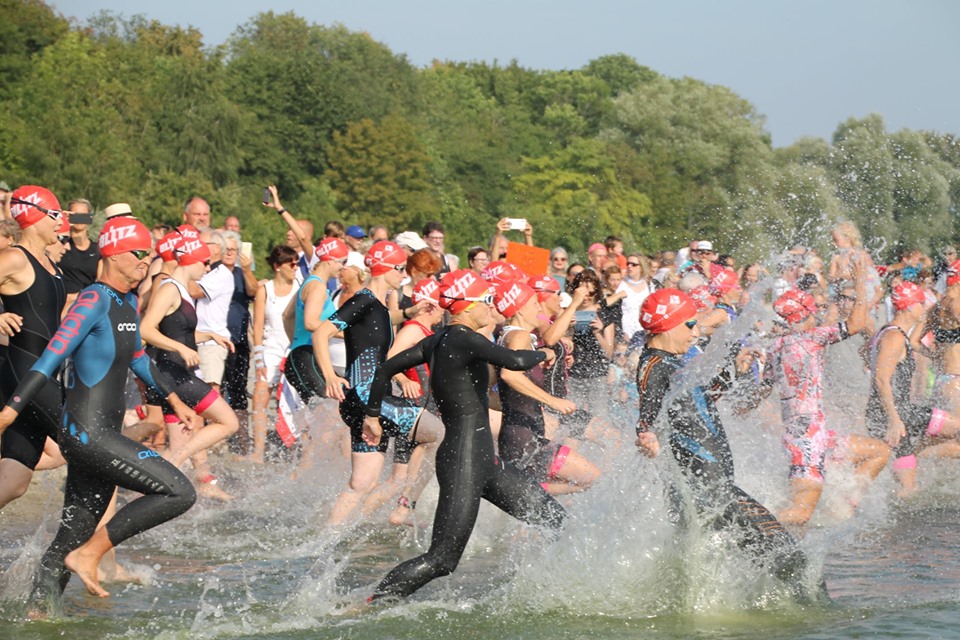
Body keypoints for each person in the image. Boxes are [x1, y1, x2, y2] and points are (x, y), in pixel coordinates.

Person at [0, 217, 197, 611]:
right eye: (138, 254)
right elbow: (49, 358)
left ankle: (39, 615)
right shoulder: (93, 300)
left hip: (100, 434)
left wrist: (174, 402)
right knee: (179, 491)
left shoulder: (128, 301)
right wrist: (10, 411)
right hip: (87, 434)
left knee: (70, 536)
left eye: (149, 255)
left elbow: (138, 358)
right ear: (112, 253)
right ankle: (91, 556)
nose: (146, 262)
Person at [362, 269, 565, 601]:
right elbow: (514, 359)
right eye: (486, 300)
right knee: (442, 560)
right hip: (464, 462)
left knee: (554, 518)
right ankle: (373, 602)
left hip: (484, 462)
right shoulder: (463, 337)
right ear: (466, 306)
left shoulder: (437, 340)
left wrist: (373, 415)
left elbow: (385, 370)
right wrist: (545, 352)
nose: (492, 306)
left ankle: (539, 590)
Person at [634, 289, 817, 600]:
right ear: (667, 327)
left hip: (716, 488)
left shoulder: (673, 360)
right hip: (710, 490)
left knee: (767, 562)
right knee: (789, 557)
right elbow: (645, 417)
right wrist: (647, 436)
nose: (695, 332)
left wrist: (735, 371)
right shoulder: (654, 365)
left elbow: (702, 400)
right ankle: (818, 618)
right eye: (690, 325)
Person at [309, 241, 441, 525]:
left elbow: (380, 319)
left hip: (362, 402)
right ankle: (406, 505)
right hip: (370, 401)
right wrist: (330, 376)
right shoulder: (363, 300)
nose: (404, 276)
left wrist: (409, 312)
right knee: (441, 434)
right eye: (399, 269)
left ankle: (325, 543)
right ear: (385, 270)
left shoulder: (375, 305)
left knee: (361, 484)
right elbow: (320, 333)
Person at [763, 254, 890, 528]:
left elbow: (760, 393)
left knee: (879, 451)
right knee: (800, 513)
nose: (819, 315)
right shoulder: (811, 338)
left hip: (813, 436)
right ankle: (745, 528)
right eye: (815, 311)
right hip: (807, 442)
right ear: (805, 314)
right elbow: (855, 325)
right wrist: (859, 282)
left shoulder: (775, 347)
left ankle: (844, 503)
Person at [139, 233, 239, 499]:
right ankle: (166, 465)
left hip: (177, 371)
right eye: (205, 262)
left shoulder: (182, 291)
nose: (208, 268)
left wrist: (209, 336)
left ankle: (145, 489)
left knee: (181, 440)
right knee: (228, 421)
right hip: (172, 374)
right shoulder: (169, 289)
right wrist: (182, 349)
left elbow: (177, 333)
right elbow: (146, 329)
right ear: (191, 259)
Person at [494, 280, 598, 494]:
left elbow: (489, 386)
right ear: (521, 309)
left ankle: (536, 493)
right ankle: (538, 492)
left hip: (521, 434)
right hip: (524, 440)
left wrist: (542, 357)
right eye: (534, 303)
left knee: (529, 515)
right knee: (590, 477)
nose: (539, 308)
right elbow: (508, 375)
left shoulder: (505, 337)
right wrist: (552, 401)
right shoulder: (519, 336)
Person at [0, 186, 67, 508]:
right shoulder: (15, 257)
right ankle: (96, 554)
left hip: (45, 374)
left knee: (13, 481)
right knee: (89, 446)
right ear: (34, 216)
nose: (61, 223)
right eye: (55, 215)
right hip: (25, 372)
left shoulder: (51, 264)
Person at [868, 281, 960, 495]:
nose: (924, 306)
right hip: (897, 413)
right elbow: (881, 379)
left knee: (908, 490)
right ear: (910, 306)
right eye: (920, 302)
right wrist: (893, 419)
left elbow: (873, 361)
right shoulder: (893, 336)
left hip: (896, 411)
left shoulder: (890, 333)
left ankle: (890, 500)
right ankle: (923, 455)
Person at [248, 244, 299, 463]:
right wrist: (258, 357)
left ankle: (294, 447)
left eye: (297, 263)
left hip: (293, 347)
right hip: (270, 347)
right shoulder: (265, 289)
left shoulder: (301, 286)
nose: (295, 267)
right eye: (291, 263)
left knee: (293, 400)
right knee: (260, 394)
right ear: (278, 266)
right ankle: (258, 451)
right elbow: (258, 325)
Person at [59, 198, 100, 308]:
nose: (79, 219)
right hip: (61, 304)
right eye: (75, 215)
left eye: (83, 215)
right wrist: (61, 219)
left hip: (86, 305)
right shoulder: (60, 246)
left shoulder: (97, 250)